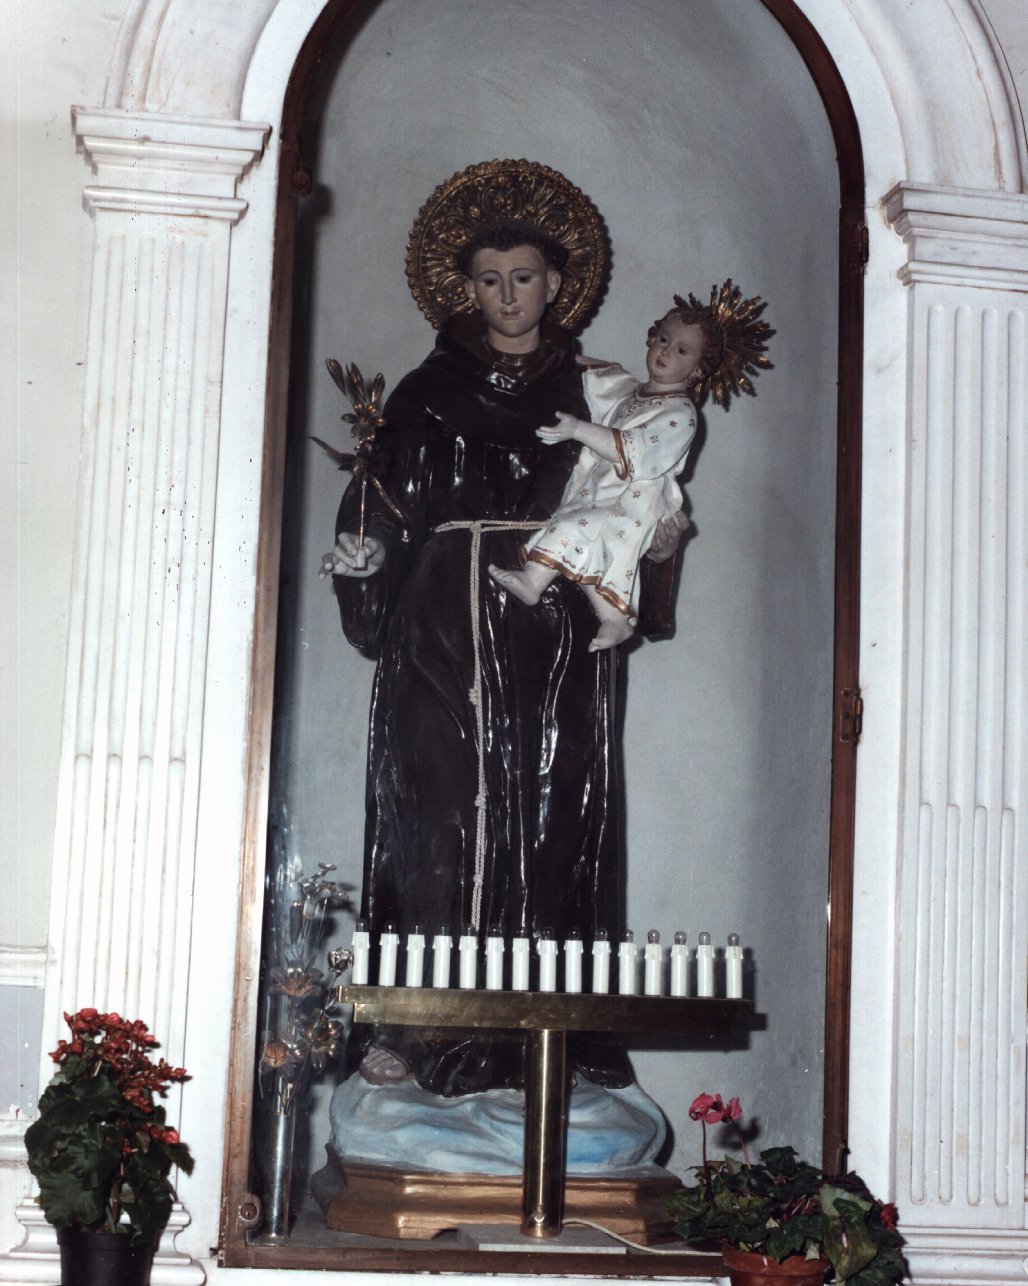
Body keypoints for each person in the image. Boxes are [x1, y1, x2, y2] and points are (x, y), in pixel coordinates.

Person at [321, 215, 683, 1098]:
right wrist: (364, 563)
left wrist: (666, 540)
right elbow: (375, 505)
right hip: (440, 619)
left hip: (550, 624)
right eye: (490, 280)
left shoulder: (604, 392)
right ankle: (415, 1031)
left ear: (556, 285)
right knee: (439, 817)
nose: (508, 296)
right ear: (468, 290)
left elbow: (642, 496)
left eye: (525, 277)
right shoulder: (426, 391)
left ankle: (542, 1053)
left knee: (553, 813)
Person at [488, 304, 724, 651]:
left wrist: (577, 429)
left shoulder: (681, 414)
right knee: (581, 542)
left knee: (579, 531)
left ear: (698, 370)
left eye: (681, 350)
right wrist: (548, 353)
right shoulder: (632, 393)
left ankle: (538, 585)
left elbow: (638, 450)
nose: (665, 351)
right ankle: (610, 618)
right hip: (600, 491)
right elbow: (598, 374)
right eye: (662, 339)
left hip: (634, 504)